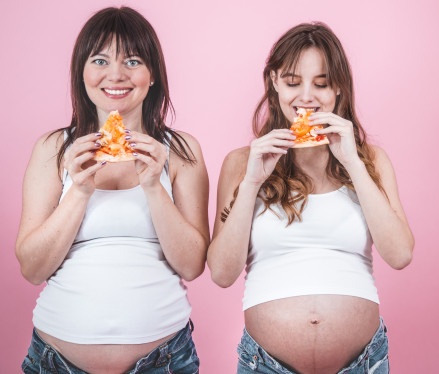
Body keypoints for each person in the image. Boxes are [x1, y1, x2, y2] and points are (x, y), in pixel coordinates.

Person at [207, 22, 414, 374]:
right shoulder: (242, 162)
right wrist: (253, 181)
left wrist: (352, 160)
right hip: (265, 365)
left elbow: (400, 254)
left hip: (364, 363)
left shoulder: (371, 160)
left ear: (338, 89)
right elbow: (222, 273)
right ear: (273, 82)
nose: (307, 97)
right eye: (292, 82)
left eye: (321, 84)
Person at [15, 6, 209, 373]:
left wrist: (153, 186)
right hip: (55, 361)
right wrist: (80, 191)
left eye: (133, 60)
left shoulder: (182, 151)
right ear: (81, 73)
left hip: (165, 360)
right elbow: (32, 268)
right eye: (100, 60)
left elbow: (191, 265)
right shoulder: (53, 149)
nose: (116, 75)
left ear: (152, 76)